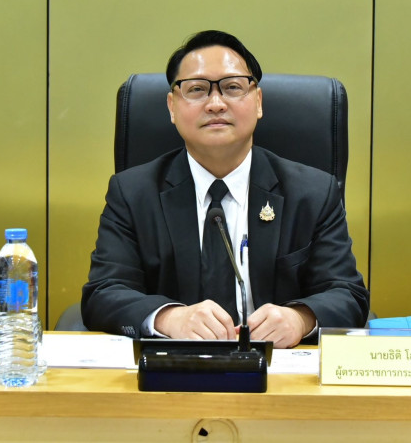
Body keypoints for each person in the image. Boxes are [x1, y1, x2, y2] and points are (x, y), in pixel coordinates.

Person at [81, 30, 369, 348]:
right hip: (172, 368)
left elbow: (348, 295)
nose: (216, 104)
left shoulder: (313, 193)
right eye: (197, 89)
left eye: (232, 87)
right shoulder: (132, 193)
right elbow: (103, 293)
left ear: (258, 101)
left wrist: (299, 319)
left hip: (278, 369)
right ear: (172, 107)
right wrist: (169, 318)